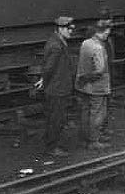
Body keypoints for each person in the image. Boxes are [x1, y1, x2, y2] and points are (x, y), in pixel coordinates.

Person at [35, 15, 76, 157]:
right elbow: (49, 68)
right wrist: (44, 80)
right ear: (60, 29)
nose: (71, 31)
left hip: (58, 86)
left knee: (55, 117)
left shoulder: (57, 41)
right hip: (57, 88)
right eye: (68, 29)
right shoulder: (56, 46)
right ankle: (52, 147)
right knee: (56, 118)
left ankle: (51, 143)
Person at [75, 18, 113, 150]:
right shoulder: (98, 47)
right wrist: (90, 78)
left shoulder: (86, 43)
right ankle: (94, 141)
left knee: (85, 111)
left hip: (83, 86)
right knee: (97, 113)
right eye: (107, 32)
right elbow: (100, 70)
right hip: (97, 86)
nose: (108, 35)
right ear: (103, 32)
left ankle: (85, 137)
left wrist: (83, 79)